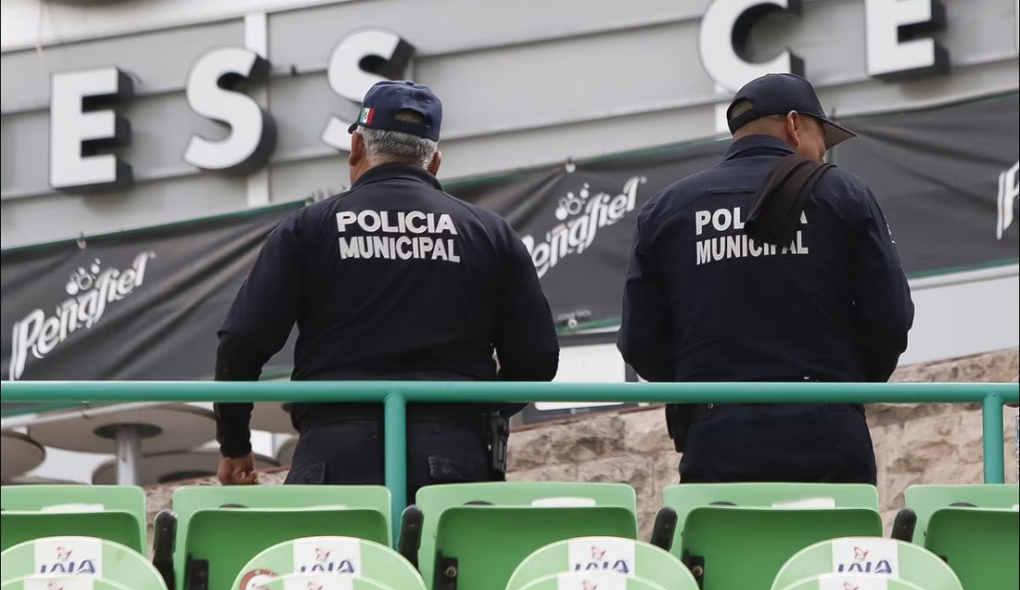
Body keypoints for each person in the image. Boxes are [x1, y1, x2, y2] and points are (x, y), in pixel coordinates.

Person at [213, 80, 560, 501]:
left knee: (327, 548)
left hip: (332, 454)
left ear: (356, 146)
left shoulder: (307, 228)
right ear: (434, 161)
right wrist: (480, 407)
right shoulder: (489, 232)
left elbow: (241, 344)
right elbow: (538, 358)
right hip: (453, 456)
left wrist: (235, 446)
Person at [617, 73, 914, 485]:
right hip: (828, 433)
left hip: (716, 438)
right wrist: (842, 388)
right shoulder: (845, 194)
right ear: (794, 125)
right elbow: (890, 321)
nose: (822, 155)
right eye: (822, 141)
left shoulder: (666, 210)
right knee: (834, 531)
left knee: (724, 528)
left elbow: (639, 341)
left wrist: (701, 387)